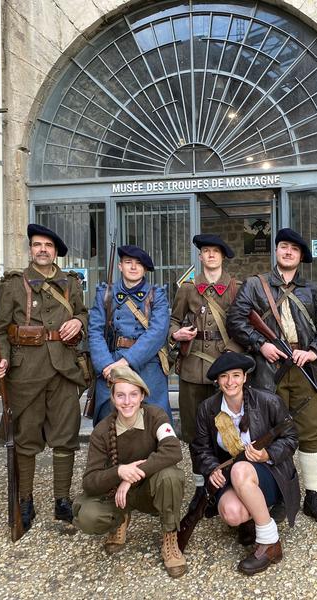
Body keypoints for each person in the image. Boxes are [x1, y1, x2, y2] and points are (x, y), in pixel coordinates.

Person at [226, 228, 317, 527]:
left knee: (311, 432)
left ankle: (313, 496)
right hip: (268, 369)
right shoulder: (254, 285)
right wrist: (260, 344)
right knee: (269, 432)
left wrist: (313, 350)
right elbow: (236, 320)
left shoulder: (314, 290)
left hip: (304, 368)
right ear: (276, 251)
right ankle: (274, 494)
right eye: (283, 247)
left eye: (294, 249)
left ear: (301, 257)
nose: (288, 252)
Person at [0, 224, 88, 531]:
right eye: (36, 245)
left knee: (65, 437)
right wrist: (2, 358)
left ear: (56, 251)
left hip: (64, 370)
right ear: (30, 249)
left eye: (47, 245)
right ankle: (26, 500)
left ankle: (61, 500)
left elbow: (84, 313)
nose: (42, 249)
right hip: (26, 372)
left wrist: (77, 322)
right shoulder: (12, 285)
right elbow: (0, 329)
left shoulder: (71, 283)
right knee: (26, 439)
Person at [190, 352, 300, 576]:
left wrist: (266, 454)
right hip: (229, 474)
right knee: (232, 514)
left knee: (241, 470)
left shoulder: (268, 401)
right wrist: (212, 469)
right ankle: (250, 518)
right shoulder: (207, 409)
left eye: (236, 375)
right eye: (224, 377)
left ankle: (270, 543)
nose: (230, 382)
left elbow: (291, 439)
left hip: (270, 473)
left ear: (245, 378)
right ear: (218, 381)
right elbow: (200, 449)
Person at [73, 366, 187, 578]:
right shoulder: (102, 431)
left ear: (142, 395)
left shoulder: (156, 416)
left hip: (148, 491)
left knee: (171, 476)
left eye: (134, 394)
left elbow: (173, 451)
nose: (127, 402)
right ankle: (120, 519)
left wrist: (132, 476)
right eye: (121, 395)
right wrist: (120, 472)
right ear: (113, 399)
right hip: (117, 495)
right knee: (88, 515)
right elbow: (89, 482)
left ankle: (170, 536)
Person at [169, 234, 242, 510]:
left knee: (228, 429)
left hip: (225, 372)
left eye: (215, 251)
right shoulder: (187, 289)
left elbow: (244, 324)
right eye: (206, 252)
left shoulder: (235, 288)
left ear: (222, 257)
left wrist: (232, 351)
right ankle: (201, 488)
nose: (210, 255)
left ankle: (226, 484)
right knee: (194, 432)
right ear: (200, 257)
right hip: (192, 371)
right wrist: (177, 332)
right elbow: (173, 320)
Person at [89, 245, 171, 424]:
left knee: (155, 419)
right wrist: (106, 365)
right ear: (120, 266)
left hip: (147, 364)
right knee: (108, 420)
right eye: (128, 262)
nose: (133, 267)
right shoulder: (105, 294)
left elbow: (157, 333)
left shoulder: (156, 295)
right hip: (111, 364)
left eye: (138, 264)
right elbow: (95, 331)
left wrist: (126, 362)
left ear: (145, 269)